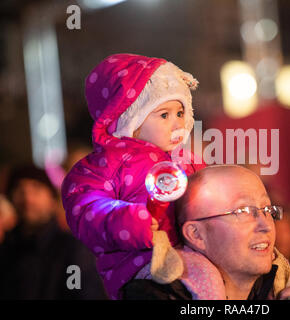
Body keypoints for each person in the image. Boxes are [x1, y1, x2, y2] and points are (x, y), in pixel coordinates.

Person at [61, 53, 205, 300]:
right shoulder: (108, 163)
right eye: (164, 115)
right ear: (132, 118)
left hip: (194, 252)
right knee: (205, 283)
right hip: (138, 265)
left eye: (180, 113)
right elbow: (84, 207)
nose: (177, 124)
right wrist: (126, 220)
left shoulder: (188, 161)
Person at [121, 165, 290, 300]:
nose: (265, 225)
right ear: (197, 235)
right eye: (243, 211)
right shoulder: (152, 295)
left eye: (267, 209)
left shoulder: (279, 289)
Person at [0, 165, 106, 299]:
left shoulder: (72, 249)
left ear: (52, 200)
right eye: (20, 190)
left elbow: (82, 292)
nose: (28, 199)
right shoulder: (7, 249)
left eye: (36, 190)